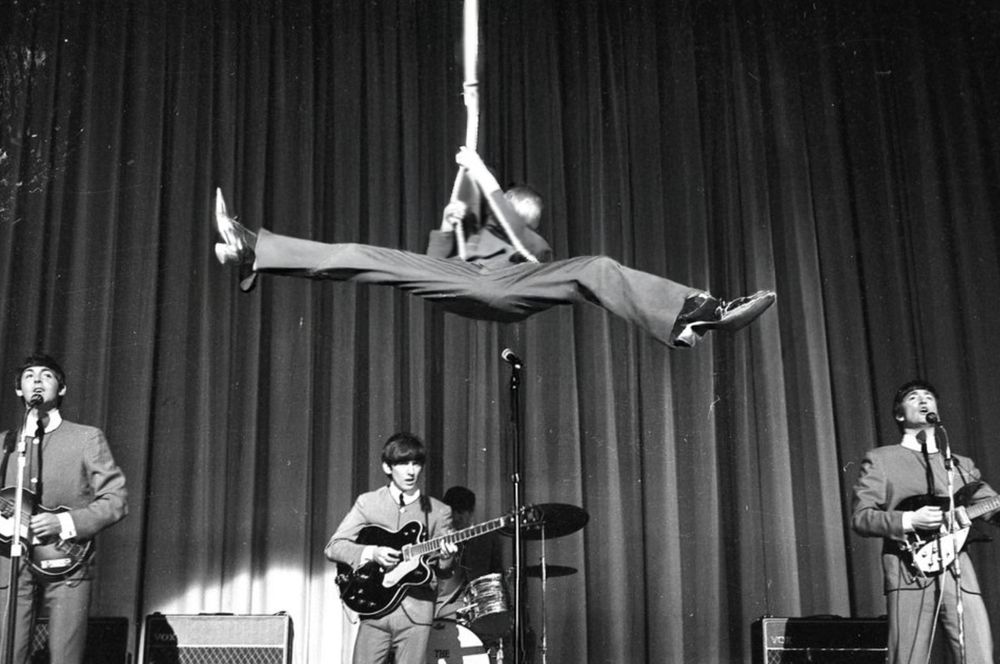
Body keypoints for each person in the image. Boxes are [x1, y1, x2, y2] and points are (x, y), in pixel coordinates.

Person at [213, 147, 776, 349]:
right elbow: (437, 268)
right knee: (364, 253)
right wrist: (448, 220)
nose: (499, 210)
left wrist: (480, 172)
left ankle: (699, 313)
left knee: (598, 267)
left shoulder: (531, 243)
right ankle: (253, 249)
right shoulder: (484, 231)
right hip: (466, 288)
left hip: (507, 292)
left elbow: (512, 231)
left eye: (507, 206)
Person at [851, 380, 999, 664]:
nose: (924, 401)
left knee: (978, 655)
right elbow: (861, 517)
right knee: (908, 657)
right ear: (899, 414)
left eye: (929, 397)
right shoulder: (881, 459)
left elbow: (991, 507)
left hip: (958, 572)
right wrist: (909, 519)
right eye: (914, 397)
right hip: (908, 571)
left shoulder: (959, 464)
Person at [0, 353, 128, 664]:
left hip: (67, 561)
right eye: (29, 376)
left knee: (65, 658)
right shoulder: (5, 444)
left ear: (62, 388)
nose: (37, 381)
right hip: (12, 566)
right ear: (19, 390)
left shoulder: (86, 438)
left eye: (47, 376)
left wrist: (64, 523)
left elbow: (116, 500)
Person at [325, 432, 458, 664]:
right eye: (402, 464)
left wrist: (447, 557)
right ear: (387, 467)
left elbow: (445, 571)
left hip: (416, 614)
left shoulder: (438, 511)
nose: (410, 471)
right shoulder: (369, 503)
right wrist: (371, 552)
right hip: (375, 608)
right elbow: (334, 547)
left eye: (416, 464)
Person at [435, 486, 506, 621]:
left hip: (480, 605)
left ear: (471, 512)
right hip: (446, 607)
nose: (456, 517)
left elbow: (497, 574)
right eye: (452, 512)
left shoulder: (488, 538)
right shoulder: (438, 539)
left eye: (460, 512)